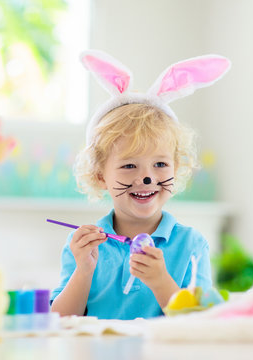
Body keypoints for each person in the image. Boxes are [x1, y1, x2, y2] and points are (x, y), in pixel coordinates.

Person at [50, 50, 230, 319]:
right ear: (100, 175)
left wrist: (161, 282)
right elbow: (60, 320)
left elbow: (200, 322)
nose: (147, 178)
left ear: (176, 168)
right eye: (129, 166)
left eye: (160, 165)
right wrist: (83, 270)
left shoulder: (192, 244)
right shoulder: (84, 246)